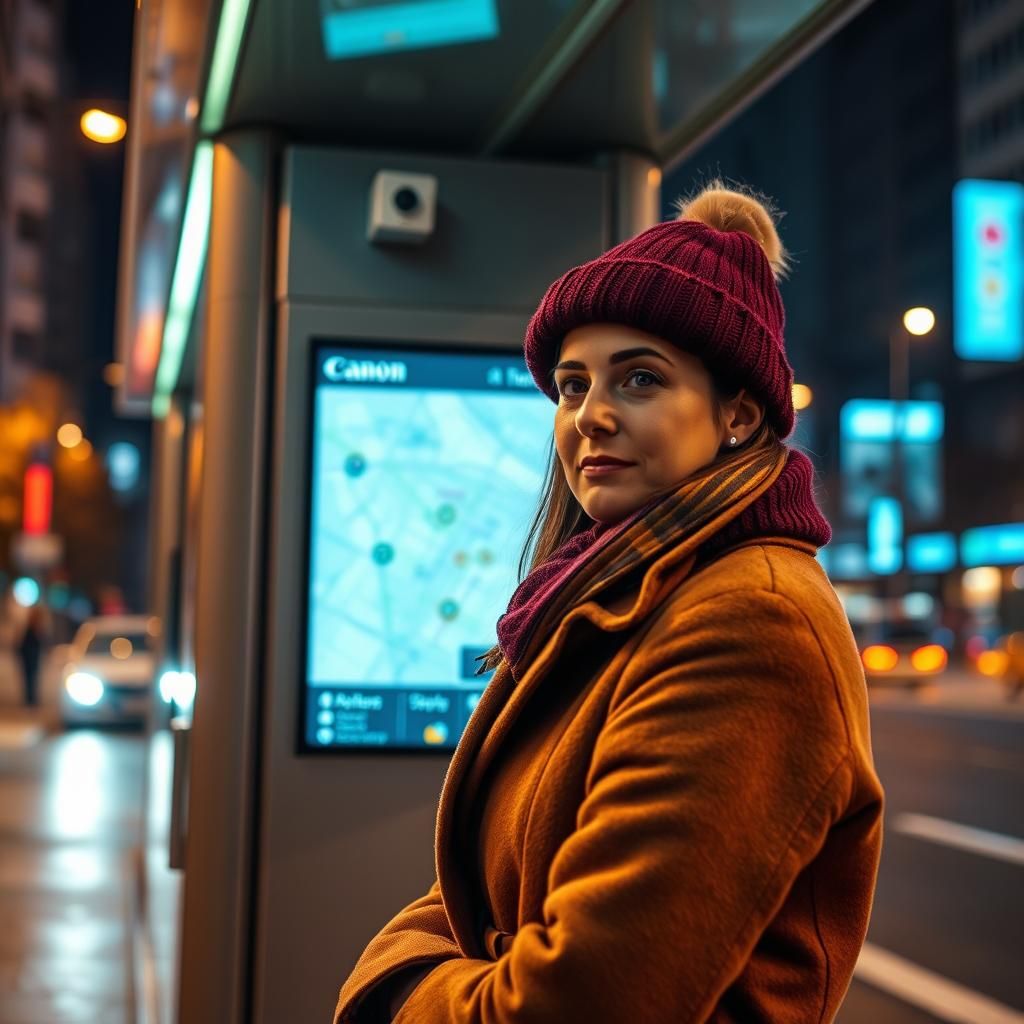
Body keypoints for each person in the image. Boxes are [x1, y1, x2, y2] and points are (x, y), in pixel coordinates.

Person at [334, 182, 884, 1023]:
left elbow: (584, 999)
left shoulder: (752, 620)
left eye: (639, 379)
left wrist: (397, 990)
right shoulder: (616, 595)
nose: (590, 416)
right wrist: (444, 960)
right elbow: (478, 896)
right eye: (571, 385)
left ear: (738, 416)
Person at [17, 603, 48, 708]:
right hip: (29, 657)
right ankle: (30, 699)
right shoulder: (31, 628)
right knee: (30, 678)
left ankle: (31, 699)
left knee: (31, 678)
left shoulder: (35, 627)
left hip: (32, 656)